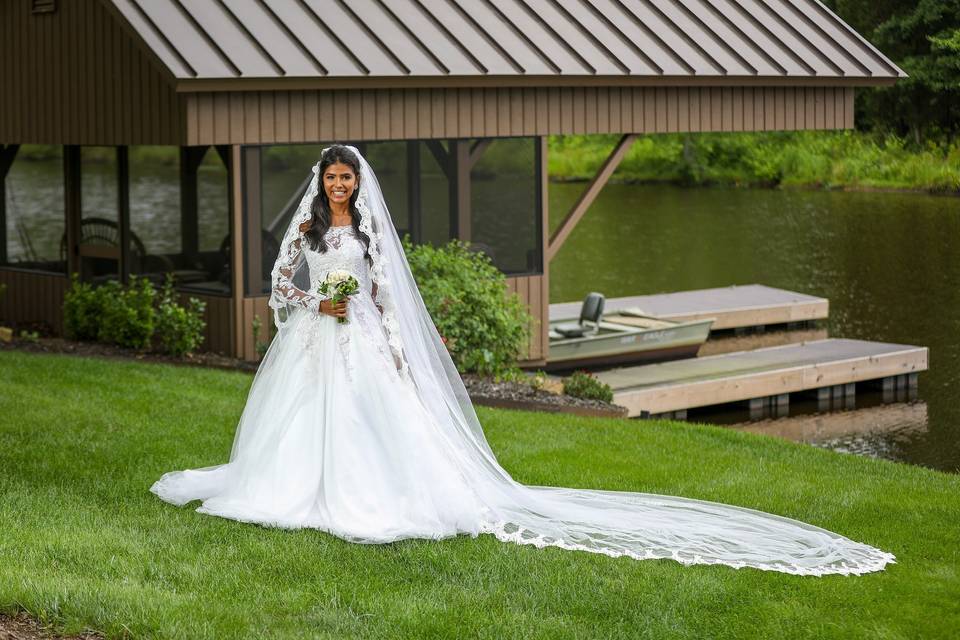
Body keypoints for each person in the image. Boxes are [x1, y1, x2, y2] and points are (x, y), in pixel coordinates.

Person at [150, 144, 895, 576]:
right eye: (332, 179)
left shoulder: (372, 235)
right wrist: (316, 304)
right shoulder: (308, 228)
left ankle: (376, 494)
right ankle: (288, 490)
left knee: (371, 416)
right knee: (301, 417)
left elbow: (382, 294)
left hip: (363, 340)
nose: (338, 187)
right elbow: (281, 282)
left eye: (346, 179)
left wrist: (397, 341)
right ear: (322, 183)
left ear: (357, 184)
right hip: (315, 337)